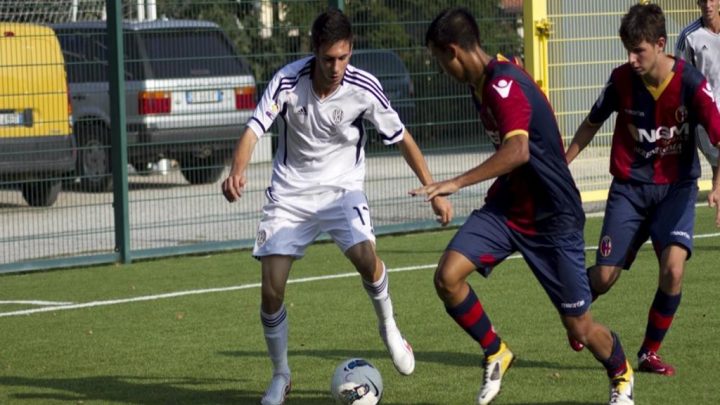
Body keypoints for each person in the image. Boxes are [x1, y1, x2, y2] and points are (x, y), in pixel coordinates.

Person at [221, 8, 453, 405]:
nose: (336, 67)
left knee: (367, 258)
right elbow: (253, 129)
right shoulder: (288, 80)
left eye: (344, 57)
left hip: (342, 190)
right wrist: (236, 171)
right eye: (329, 58)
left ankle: (389, 327)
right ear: (315, 51)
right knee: (271, 290)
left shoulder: (364, 87)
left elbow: (402, 139)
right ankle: (281, 375)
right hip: (291, 194)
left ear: (351, 52)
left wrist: (433, 188)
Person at [414, 7, 634, 405]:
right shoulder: (483, 81)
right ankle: (496, 351)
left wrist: (455, 183)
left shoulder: (503, 85)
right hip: (508, 208)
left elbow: (517, 151)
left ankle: (621, 374)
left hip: (553, 217)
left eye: (438, 59)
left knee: (580, 328)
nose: (440, 68)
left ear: (453, 51)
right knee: (448, 276)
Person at [566, 3, 720, 377]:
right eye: (628, 51)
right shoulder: (621, 80)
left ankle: (648, 353)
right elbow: (591, 123)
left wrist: (718, 182)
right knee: (604, 277)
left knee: (673, 270)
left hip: (677, 190)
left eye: (640, 51)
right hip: (631, 190)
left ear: (661, 44)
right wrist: (562, 162)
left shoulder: (690, 83)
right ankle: (572, 307)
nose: (632, 59)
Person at [676, 0, 720, 184]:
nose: (707, 5)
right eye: (703, 1)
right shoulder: (689, 36)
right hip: (706, 117)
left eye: (712, 0)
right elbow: (679, 78)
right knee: (717, 166)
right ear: (697, 3)